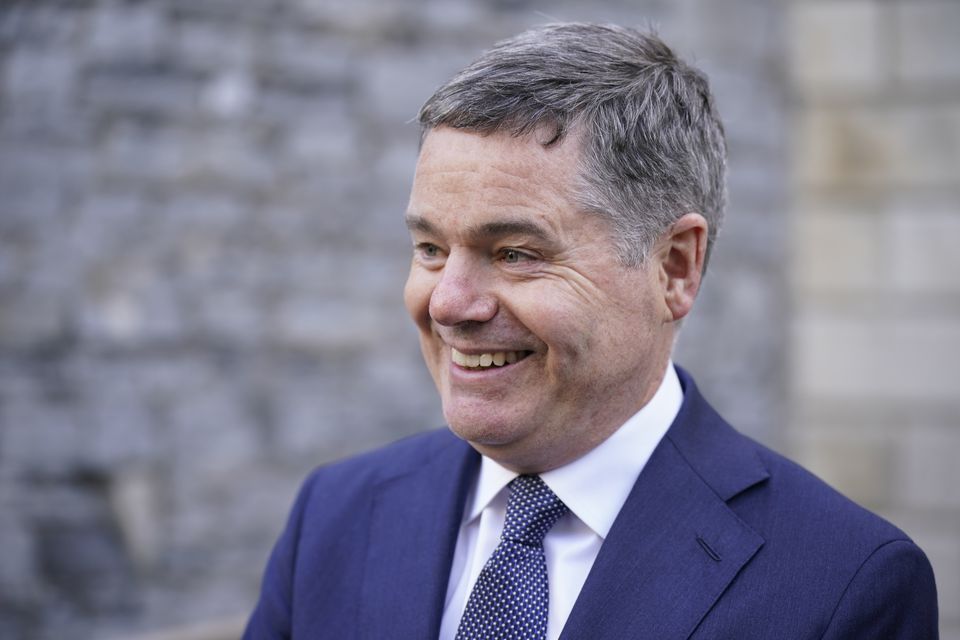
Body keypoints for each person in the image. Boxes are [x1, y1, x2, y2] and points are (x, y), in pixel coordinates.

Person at [244, 23, 938, 639]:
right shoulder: (336, 516)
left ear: (673, 268)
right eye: (430, 249)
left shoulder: (843, 585)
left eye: (515, 253)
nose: (449, 303)